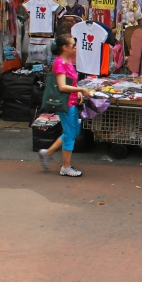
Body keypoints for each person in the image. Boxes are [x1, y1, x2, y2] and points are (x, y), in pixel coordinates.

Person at [38, 34, 94, 177]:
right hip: (65, 104)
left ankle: (48, 153)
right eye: (73, 46)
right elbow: (62, 87)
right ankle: (65, 167)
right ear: (64, 47)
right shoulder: (60, 63)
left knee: (72, 132)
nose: (75, 48)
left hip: (71, 102)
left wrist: (78, 93)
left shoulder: (67, 60)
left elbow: (71, 83)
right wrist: (81, 90)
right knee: (70, 135)